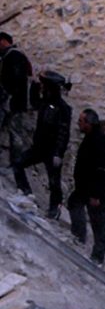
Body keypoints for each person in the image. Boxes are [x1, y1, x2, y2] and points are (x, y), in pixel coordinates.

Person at [14, 70, 72, 217]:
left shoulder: (62, 108)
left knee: (54, 182)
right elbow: (34, 103)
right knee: (18, 163)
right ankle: (25, 192)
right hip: (39, 147)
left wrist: (58, 153)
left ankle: (55, 209)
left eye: (44, 85)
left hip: (52, 151)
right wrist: (33, 86)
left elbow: (63, 133)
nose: (42, 88)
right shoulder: (47, 103)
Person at [67, 109, 105, 264]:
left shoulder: (100, 142)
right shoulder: (91, 138)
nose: (78, 124)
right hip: (84, 188)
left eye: (81, 121)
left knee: (99, 224)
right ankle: (78, 240)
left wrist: (97, 195)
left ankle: (97, 258)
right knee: (73, 204)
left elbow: (103, 170)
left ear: (89, 123)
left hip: (94, 191)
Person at [0, 33, 33, 168]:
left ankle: (17, 167)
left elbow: (17, 81)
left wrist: (8, 96)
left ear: (2, 41)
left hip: (13, 103)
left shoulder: (15, 56)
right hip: (12, 102)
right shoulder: (11, 56)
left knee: (16, 135)